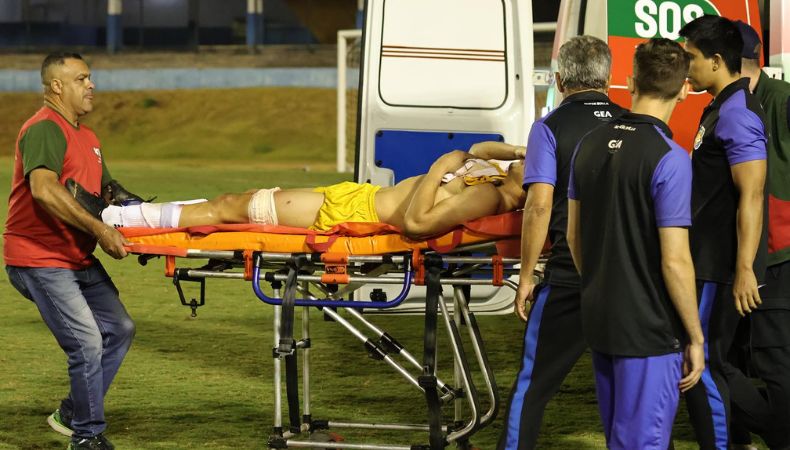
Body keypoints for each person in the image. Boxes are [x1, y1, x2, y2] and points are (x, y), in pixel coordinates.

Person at [566, 37, 705, 449]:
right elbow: (675, 261)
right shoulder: (671, 158)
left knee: (620, 440)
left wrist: (601, 285)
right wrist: (696, 336)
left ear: (629, 82)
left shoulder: (589, 143)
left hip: (600, 318)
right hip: (649, 329)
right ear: (684, 89)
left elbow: (574, 236)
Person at [3, 53, 139, 449]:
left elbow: (110, 193)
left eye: (90, 77)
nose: (91, 84)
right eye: (81, 79)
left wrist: (157, 221)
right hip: (39, 257)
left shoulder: (88, 137)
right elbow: (44, 189)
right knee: (87, 342)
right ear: (57, 86)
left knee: (120, 329)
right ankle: (87, 435)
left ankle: (71, 412)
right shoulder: (44, 128)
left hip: (75, 257)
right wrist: (100, 231)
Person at [497, 35, 625, 450]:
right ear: (608, 78)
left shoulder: (549, 127)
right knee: (631, 388)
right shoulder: (634, 124)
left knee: (533, 383)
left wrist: (526, 275)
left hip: (570, 274)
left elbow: (538, 206)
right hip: (626, 276)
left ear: (558, 80)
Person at [68, 145, 528, 240]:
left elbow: (417, 224)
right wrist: (514, 151)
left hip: (356, 211)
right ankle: (133, 210)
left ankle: (117, 217)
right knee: (237, 200)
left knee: (235, 207)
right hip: (356, 196)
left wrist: (440, 168)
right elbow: (478, 149)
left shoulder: (491, 197)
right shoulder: (495, 172)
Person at [678, 16, 769, 450]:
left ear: (716, 61)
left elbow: (752, 195)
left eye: (691, 58)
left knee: (703, 362)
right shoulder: (720, 107)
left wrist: (744, 268)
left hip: (718, 266)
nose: (685, 67)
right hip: (707, 260)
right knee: (712, 361)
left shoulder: (737, 113)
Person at [724, 20, 790, 450]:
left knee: (774, 358)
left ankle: (779, 436)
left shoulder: (780, 99)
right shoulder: (732, 102)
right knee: (729, 354)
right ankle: (740, 436)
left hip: (777, 251)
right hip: (742, 250)